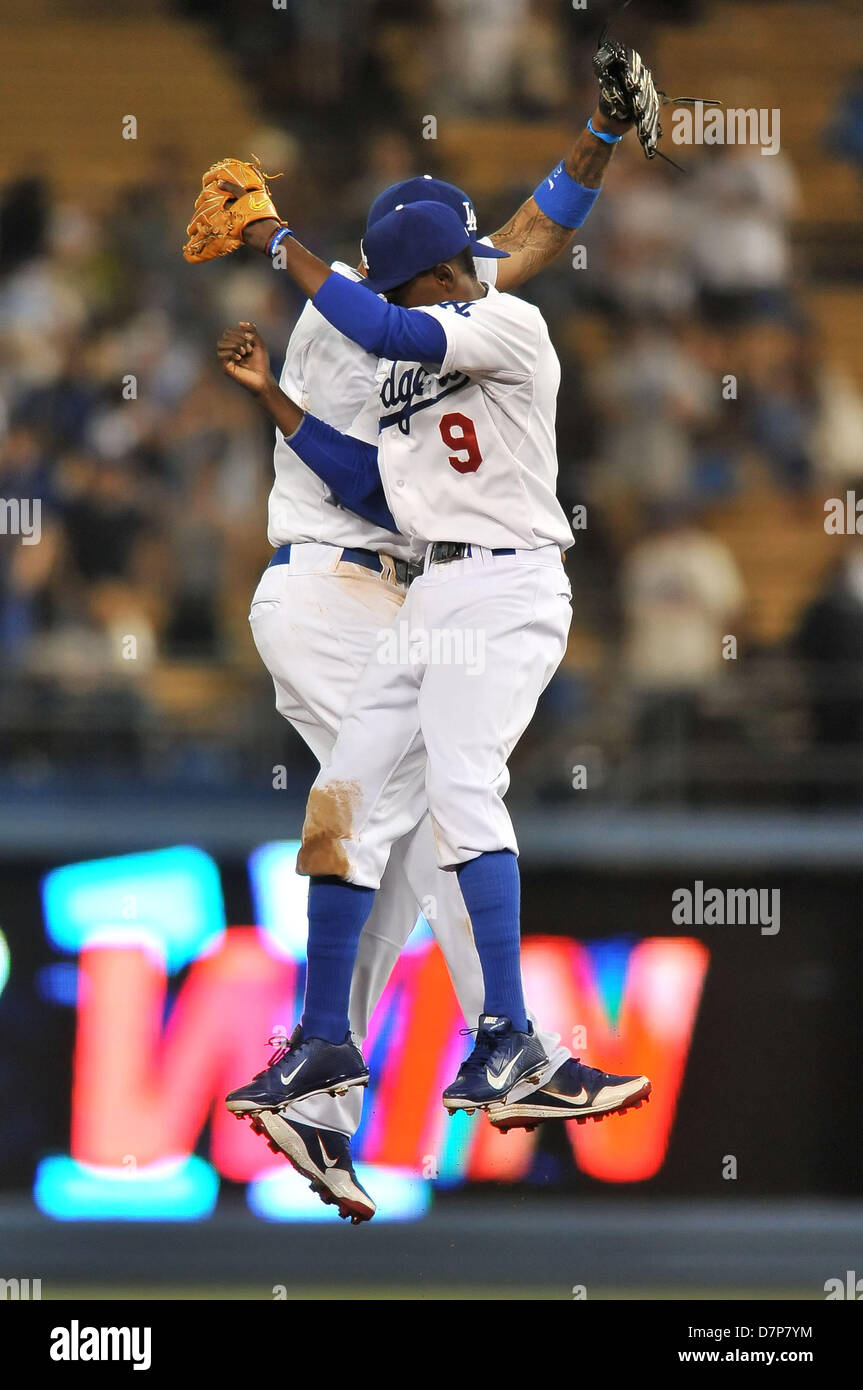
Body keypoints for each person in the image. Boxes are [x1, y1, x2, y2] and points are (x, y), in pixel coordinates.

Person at [219, 193, 650, 1220]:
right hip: (418, 590)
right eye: (460, 253)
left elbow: (396, 316)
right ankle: (326, 1041)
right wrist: (277, 398)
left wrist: (278, 243)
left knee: (452, 797)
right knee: (343, 804)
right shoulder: (412, 357)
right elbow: (374, 485)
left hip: (503, 584)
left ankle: (504, 1038)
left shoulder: (499, 320)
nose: (473, 264)